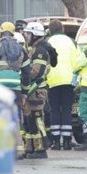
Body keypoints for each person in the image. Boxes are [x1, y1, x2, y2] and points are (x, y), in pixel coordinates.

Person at [0, 22, 30, 157]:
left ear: (0, 33)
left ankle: (1, 148)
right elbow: (26, 73)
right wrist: (25, 92)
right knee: (14, 117)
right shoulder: (21, 49)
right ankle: (19, 149)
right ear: (13, 33)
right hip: (15, 88)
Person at [22, 22, 54, 159]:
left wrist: (24, 73)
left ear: (35, 35)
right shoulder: (34, 48)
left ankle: (41, 149)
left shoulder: (39, 50)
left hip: (37, 89)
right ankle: (31, 147)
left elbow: (37, 71)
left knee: (36, 118)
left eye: (28, 34)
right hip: (33, 89)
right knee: (30, 120)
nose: (26, 36)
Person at [46, 19, 79, 150]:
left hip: (52, 80)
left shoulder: (48, 42)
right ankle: (66, 141)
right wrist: (77, 81)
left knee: (54, 109)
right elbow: (78, 61)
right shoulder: (72, 42)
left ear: (50, 30)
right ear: (62, 29)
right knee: (66, 109)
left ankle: (55, 141)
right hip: (69, 80)